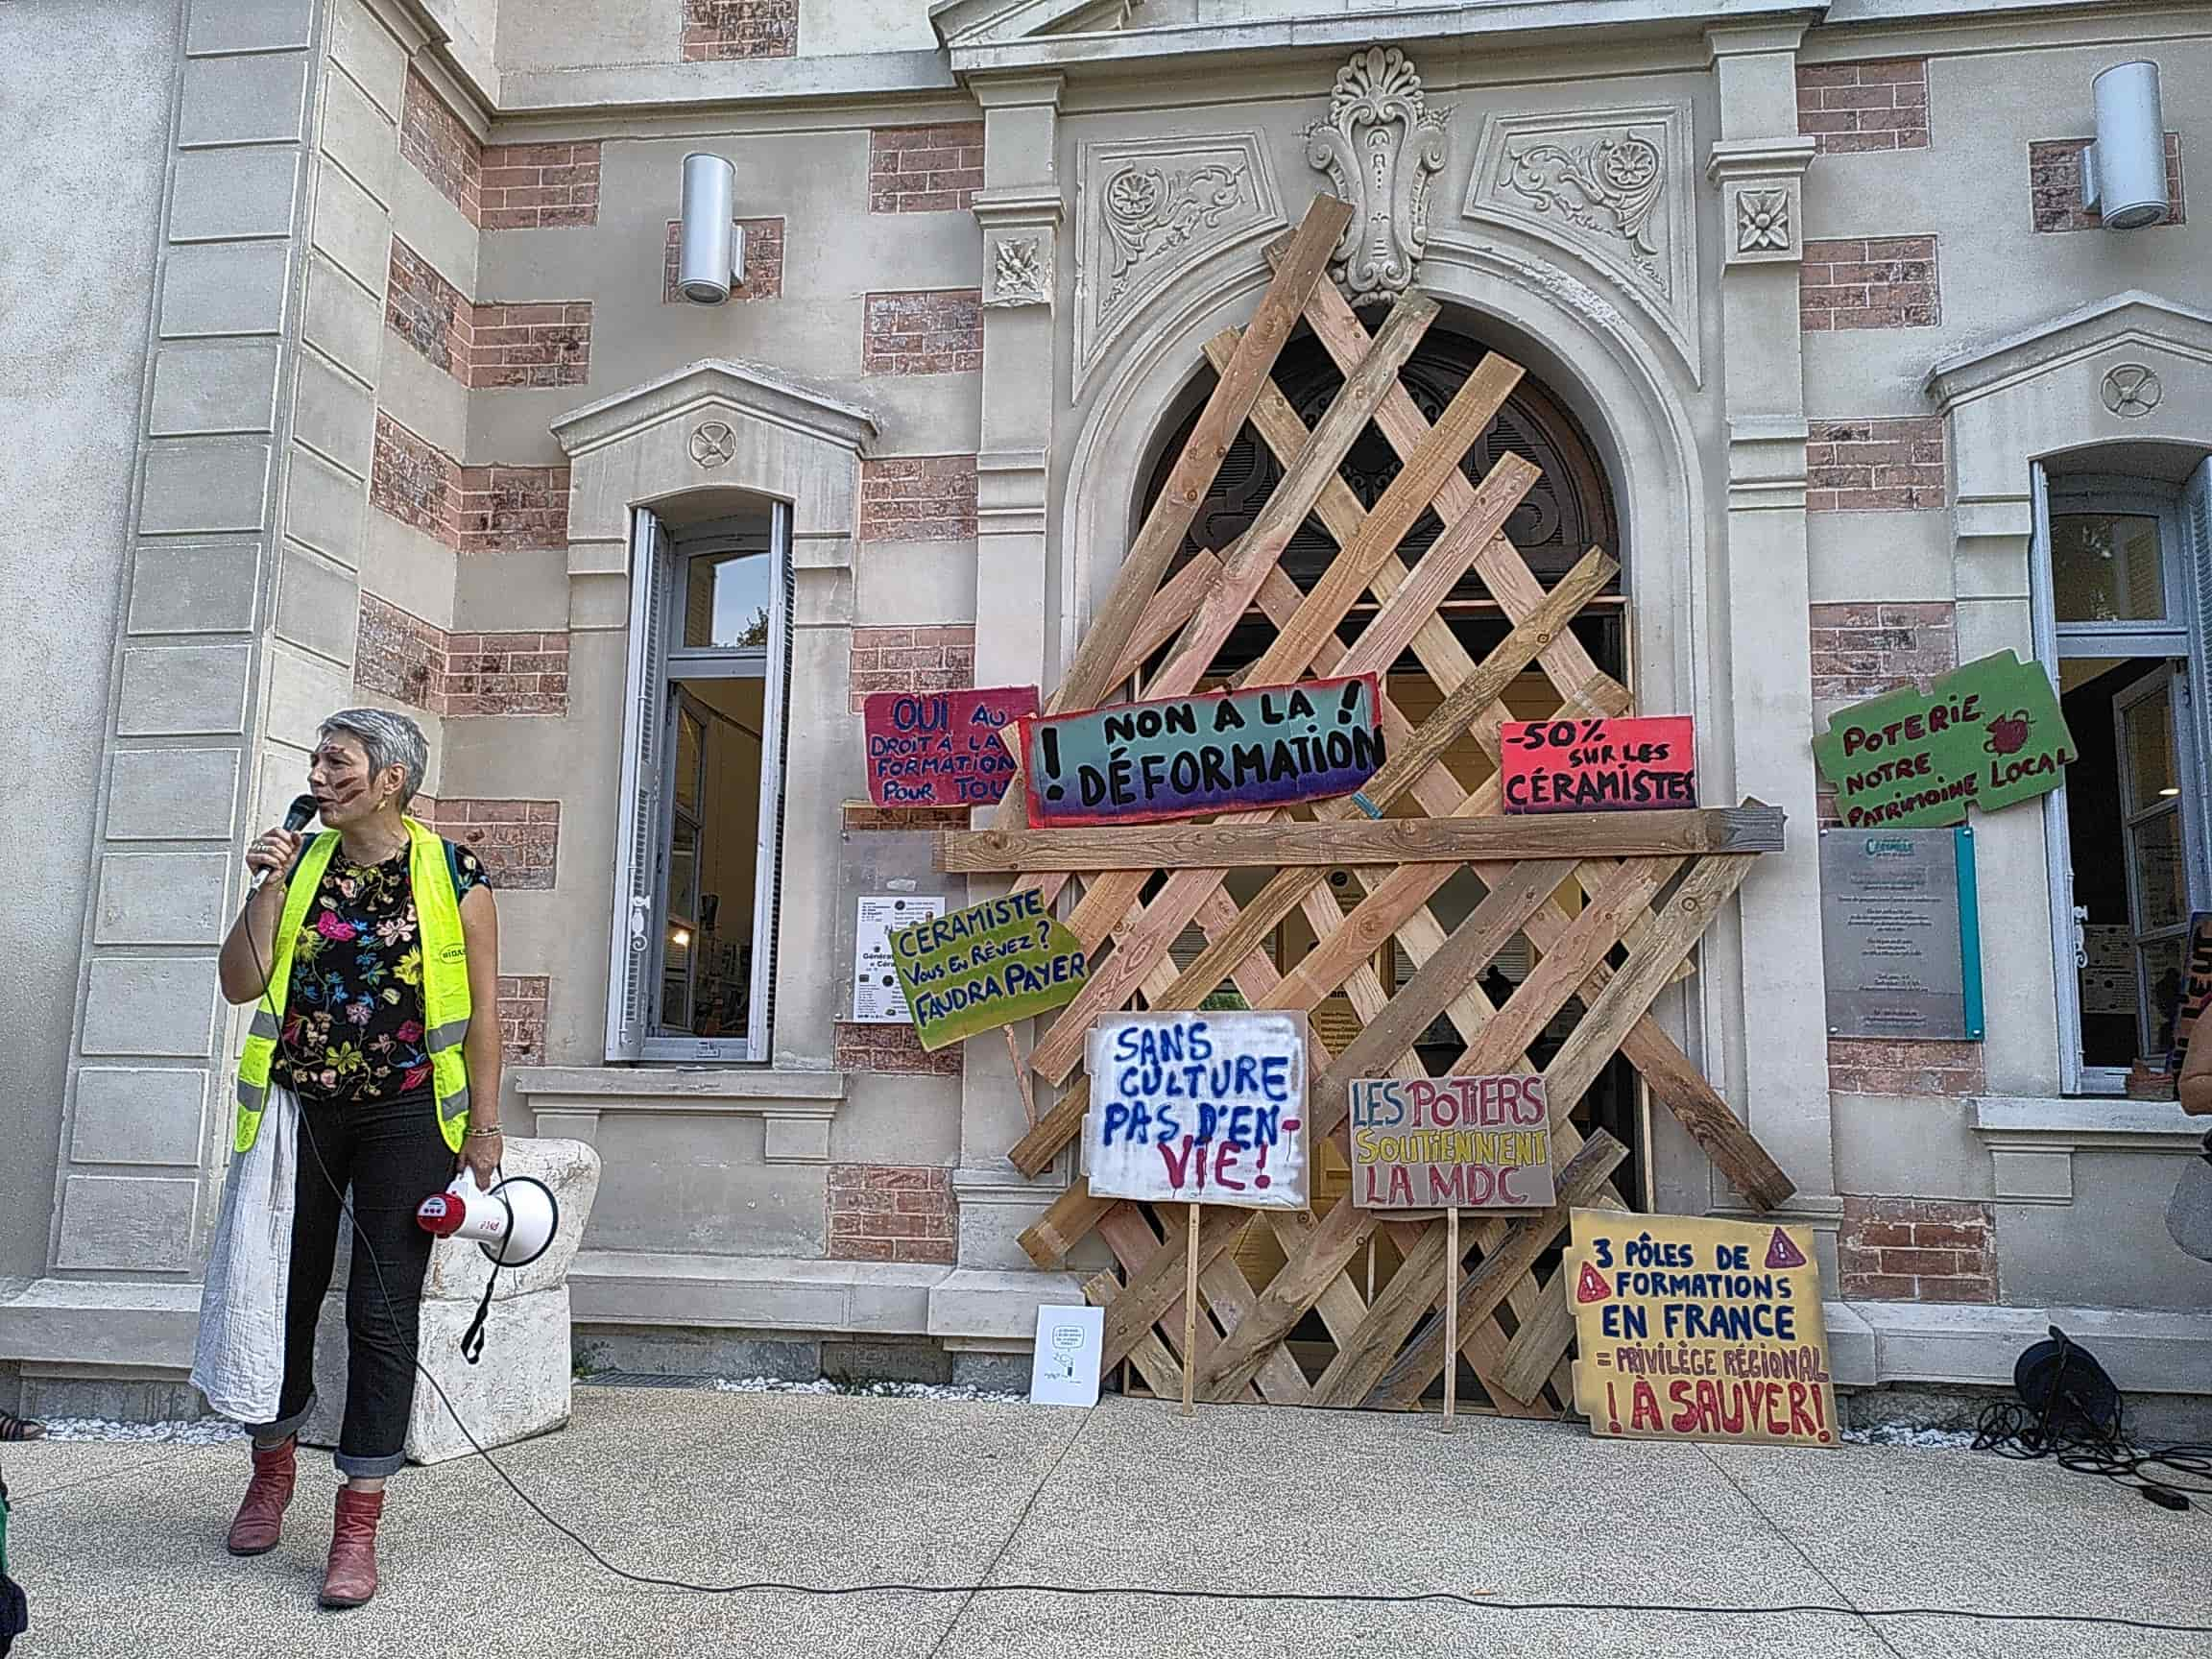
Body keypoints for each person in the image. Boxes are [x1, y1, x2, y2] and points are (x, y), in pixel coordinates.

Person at [211, 709, 504, 1609]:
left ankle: (359, 1516)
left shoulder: (454, 874)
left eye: (339, 761)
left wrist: (484, 1130)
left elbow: (486, 1014)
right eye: (316, 760)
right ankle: (271, 1470)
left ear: (390, 780)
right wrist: (265, 884)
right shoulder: (296, 865)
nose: (320, 773)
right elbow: (238, 983)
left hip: (408, 1113)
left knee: (382, 1312)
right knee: (280, 1292)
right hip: (303, 1109)